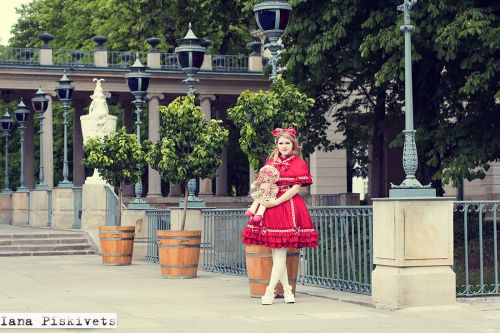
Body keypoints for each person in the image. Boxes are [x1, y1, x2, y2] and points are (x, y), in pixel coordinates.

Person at [241, 127, 319, 305]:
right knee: (277, 253)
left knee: (280, 251)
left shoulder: (299, 162)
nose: (284, 146)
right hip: (270, 206)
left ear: (293, 145)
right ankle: (288, 292)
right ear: (276, 145)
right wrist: (264, 197)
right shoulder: (271, 162)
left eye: (287, 143)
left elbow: (296, 189)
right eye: (281, 143)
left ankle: (269, 292)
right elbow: (263, 182)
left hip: (287, 206)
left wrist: (275, 202)